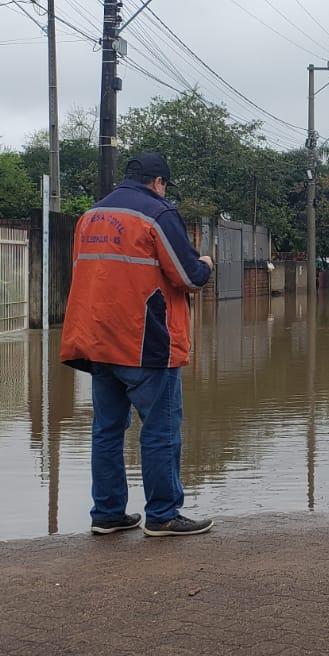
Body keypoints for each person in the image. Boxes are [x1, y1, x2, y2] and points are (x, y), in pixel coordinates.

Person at [60, 150, 215, 536]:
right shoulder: (157, 214)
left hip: (97, 342)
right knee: (160, 430)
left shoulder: (90, 216)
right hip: (146, 343)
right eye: (165, 186)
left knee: (107, 429)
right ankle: (163, 515)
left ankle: (107, 513)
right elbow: (188, 276)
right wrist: (208, 264)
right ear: (158, 183)